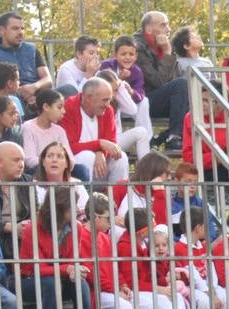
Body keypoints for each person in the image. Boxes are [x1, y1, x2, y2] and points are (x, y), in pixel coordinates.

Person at [15, 189, 97, 309]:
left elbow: (74, 259)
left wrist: (76, 269)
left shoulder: (77, 228)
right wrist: (66, 269)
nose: (78, 210)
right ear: (60, 208)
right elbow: (37, 268)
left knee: (80, 283)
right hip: (29, 280)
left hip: (60, 279)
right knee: (49, 283)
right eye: (72, 206)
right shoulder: (33, 228)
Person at [131, 11, 190, 148]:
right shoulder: (136, 48)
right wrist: (168, 53)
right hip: (142, 101)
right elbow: (159, 81)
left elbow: (173, 79)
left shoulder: (161, 45)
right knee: (182, 84)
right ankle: (174, 136)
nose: (168, 29)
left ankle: (163, 137)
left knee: (196, 99)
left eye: (168, 25)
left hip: (161, 99)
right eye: (163, 25)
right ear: (148, 29)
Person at [60, 78, 128, 184]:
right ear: (88, 98)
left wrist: (100, 151)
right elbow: (69, 147)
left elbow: (111, 143)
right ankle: (87, 198)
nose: (108, 104)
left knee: (120, 157)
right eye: (105, 100)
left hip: (101, 163)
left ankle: (117, 198)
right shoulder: (68, 108)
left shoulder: (108, 110)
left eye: (109, 100)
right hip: (75, 166)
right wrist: (100, 144)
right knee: (87, 156)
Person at [0, 11, 51, 109]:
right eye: (15, 28)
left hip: (38, 94)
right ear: (2, 30)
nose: (20, 32)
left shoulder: (32, 50)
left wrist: (33, 87)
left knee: (68, 90)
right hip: (11, 99)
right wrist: (23, 93)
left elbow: (48, 79)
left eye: (22, 28)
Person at [99, 35, 154, 154]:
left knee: (145, 101)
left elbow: (140, 94)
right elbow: (103, 85)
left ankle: (147, 140)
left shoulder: (137, 71)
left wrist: (131, 92)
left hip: (128, 106)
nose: (127, 58)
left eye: (131, 54)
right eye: (123, 54)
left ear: (136, 56)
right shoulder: (107, 66)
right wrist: (119, 80)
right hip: (112, 105)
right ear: (115, 55)